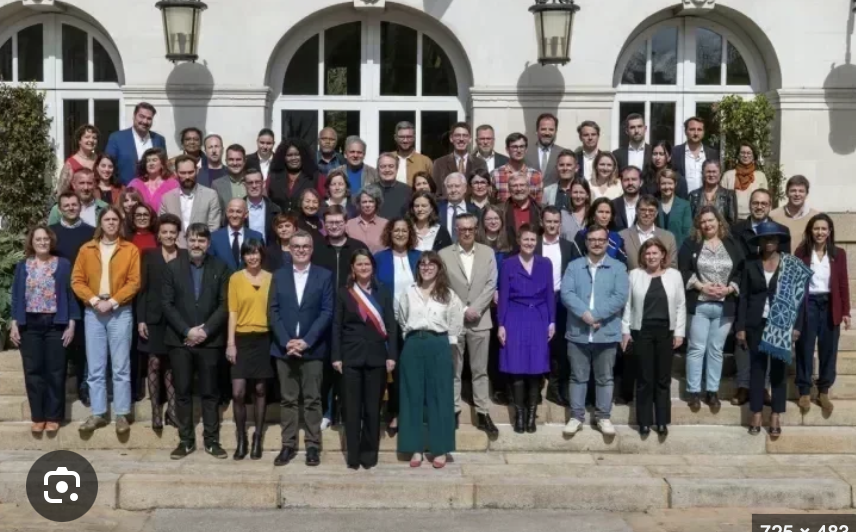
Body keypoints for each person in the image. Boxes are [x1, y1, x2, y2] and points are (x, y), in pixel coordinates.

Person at [161, 223, 230, 459]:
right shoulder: (172, 268)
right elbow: (167, 305)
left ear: (208, 243)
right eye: (192, 239)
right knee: (182, 392)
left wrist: (206, 330)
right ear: (185, 241)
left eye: (201, 240)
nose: (196, 244)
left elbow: (225, 304)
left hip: (210, 342)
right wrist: (186, 331)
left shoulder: (221, 268)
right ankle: (186, 441)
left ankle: (212, 441)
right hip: (180, 342)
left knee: (210, 393)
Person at [71, 207, 141, 436]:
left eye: (115, 219)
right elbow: (77, 280)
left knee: (120, 366)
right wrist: (93, 300)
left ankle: (122, 413)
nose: (111, 223)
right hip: (93, 312)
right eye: (107, 219)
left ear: (120, 224)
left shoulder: (130, 249)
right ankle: (98, 412)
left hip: (120, 311)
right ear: (100, 223)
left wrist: (111, 302)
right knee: (96, 366)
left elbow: (134, 282)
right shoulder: (87, 249)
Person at [736, 222, 809, 437]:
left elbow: (799, 299)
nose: (769, 242)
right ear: (759, 241)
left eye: (773, 239)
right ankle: (756, 413)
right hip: (755, 323)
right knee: (757, 370)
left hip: (782, 324)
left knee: (778, 372)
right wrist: (740, 327)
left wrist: (797, 327)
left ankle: (776, 414)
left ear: (778, 241)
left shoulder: (790, 264)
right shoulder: (750, 264)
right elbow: (744, 297)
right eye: (765, 239)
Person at [269, 230, 334, 467]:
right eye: (296, 246)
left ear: (312, 249)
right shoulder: (278, 275)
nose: (301, 250)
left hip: (313, 349)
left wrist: (306, 341)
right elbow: (273, 311)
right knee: (287, 400)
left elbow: (327, 312)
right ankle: (288, 445)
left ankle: (313, 446)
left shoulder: (324, 276)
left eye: (305, 246)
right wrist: (287, 340)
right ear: (289, 248)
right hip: (284, 348)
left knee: (312, 399)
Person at [397, 251, 464, 469]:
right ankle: (415, 447)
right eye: (422, 264)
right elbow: (401, 317)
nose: (426, 268)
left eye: (431, 264)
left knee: (440, 396)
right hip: (414, 343)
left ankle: (440, 448)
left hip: (439, 344)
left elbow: (455, 321)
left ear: (438, 268)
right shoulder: (409, 292)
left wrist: (449, 346)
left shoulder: (448, 295)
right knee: (412, 395)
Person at [560, 225, 629, 436]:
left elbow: (620, 297)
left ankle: (603, 417)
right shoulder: (574, 266)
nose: (597, 243)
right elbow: (567, 293)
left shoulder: (618, 268)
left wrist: (596, 315)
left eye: (601, 239)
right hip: (578, 332)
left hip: (606, 331)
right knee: (578, 376)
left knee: (605, 377)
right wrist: (585, 315)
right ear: (586, 242)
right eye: (592, 239)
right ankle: (576, 416)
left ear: (607, 242)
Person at [332, 250, 398, 469]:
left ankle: (369, 455)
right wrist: (336, 356)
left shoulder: (383, 292)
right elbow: (337, 327)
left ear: (372, 267)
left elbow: (391, 325)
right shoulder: (344, 293)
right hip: (350, 357)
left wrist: (391, 355)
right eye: (359, 264)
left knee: (372, 409)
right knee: (351, 409)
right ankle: (353, 456)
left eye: (367, 264)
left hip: (377, 357)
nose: (363, 267)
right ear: (352, 268)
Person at [10, 225, 79, 434]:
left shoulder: (63, 265)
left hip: (55, 324)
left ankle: (53, 416)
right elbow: (16, 296)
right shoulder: (23, 266)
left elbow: (70, 294)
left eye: (46, 239)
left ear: (51, 242)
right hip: (29, 325)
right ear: (32, 242)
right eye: (38, 239)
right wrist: (14, 323)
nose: (42, 242)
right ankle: (38, 416)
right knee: (33, 371)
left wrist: (72, 323)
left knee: (56, 371)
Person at [728, 188, 790, 405]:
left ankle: (762, 388)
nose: (759, 206)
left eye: (764, 203)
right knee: (741, 339)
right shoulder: (737, 230)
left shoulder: (780, 231)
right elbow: (733, 259)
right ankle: (744, 385)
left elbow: (784, 263)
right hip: (741, 289)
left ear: (770, 204)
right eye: (756, 202)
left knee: (766, 343)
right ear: (750, 204)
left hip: (768, 296)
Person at [439, 213, 499, 435]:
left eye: (470, 229)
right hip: (454, 320)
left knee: (480, 369)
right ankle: (453, 410)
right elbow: (442, 284)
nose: (466, 232)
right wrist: (463, 309)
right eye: (462, 229)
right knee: (454, 369)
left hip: (481, 320)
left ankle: (482, 412)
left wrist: (477, 309)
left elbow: (492, 283)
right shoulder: (444, 254)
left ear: (476, 230)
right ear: (456, 230)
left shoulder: (487, 252)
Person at [678, 205, 744, 409]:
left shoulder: (731, 244)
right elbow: (683, 269)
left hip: (725, 306)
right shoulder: (691, 243)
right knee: (696, 348)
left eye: (711, 220)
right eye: (703, 221)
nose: (707, 224)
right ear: (698, 224)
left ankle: (712, 392)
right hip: (700, 304)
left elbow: (741, 271)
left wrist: (729, 288)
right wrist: (701, 286)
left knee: (716, 350)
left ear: (719, 221)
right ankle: (694, 392)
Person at [621, 238, 686, 436]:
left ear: (663, 255)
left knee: (663, 378)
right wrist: (625, 331)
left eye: (655, 253)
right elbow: (627, 305)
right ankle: (644, 421)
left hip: (666, 331)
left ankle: (662, 421)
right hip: (642, 331)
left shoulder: (674, 275)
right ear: (643, 256)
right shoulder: (634, 275)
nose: (651, 256)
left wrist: (680, 332)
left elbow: (680, 305)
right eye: (647, 253)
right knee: (645, 378)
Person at [497, 224, 555, 434]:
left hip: (539, 317)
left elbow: (549, 294)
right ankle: (519, 415)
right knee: (517, 368)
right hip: (515, 316)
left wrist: (552, 321)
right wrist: (501, 325)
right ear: (518, 241)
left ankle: (532, 414)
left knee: (536, 369)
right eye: (526, 239)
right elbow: (503, 296)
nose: (529, 243)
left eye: (533, 240)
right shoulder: (508, 264)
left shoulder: (545, 264)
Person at [795, 214, 851, 416]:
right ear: (811, 231)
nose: (820, 232)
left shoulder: (838, 253)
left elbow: (843, 283)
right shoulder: (801, 252)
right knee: (805, 348)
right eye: (816, 228)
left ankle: (824, 391)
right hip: (808, 305)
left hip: (830, 305)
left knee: (829, 349)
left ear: (829, 232)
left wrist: (845, 311)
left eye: (824, 229)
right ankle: (803, 390)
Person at [226, 239, 273, 460]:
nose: (252, 257)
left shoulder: (271, 279)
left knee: (261, 390)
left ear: (262, 255)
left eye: (256, 253)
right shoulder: (235, 279)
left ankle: (257, 438)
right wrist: (230, 343)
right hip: (241, 339)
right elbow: (232, 312)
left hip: (263, 338)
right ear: (243, 256)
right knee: (238, 393)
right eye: (248, 253)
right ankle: (241, 438)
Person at [373, 216, 420, 436]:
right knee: (389, 369)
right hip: (387, 322)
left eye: (404, 230)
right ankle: (390, 411)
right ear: (389, 234)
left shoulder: (419, 258)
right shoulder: (380, 258)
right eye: (396, 230)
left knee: (407, 370)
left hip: (413, 323)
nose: (400, 234)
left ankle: (404, 413)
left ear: (410, 233)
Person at [136, 214, 182, 432]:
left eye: (172, 232)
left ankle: (172, 411)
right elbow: (142, 289)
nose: (169, 236)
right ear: (159, 234)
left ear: (178, 234)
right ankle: (155, 410)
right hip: (153, 318)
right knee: (154, 363)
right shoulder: (149, 256)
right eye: (164, 232)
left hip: (176, 319)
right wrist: (141, 318)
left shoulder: (184, 256)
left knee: (172, 364)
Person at [51, 193, 95, 407]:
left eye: (74, 204)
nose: (70, 207)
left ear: (80, 206)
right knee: (60, 344)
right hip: (56, 298)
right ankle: (58, 391)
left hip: (84, 296)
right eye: (66, 205)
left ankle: (84, 387)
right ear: (60, 208)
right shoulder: (51, 234)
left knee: (85, 344)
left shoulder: (91, 232)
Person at [537, 207, 581, 407]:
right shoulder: (534, 244)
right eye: (548, 221)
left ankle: (555, 387)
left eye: (555, 221)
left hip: (561, 299)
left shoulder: (568, 245)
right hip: (537, 300)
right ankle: (536, 385)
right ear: (542, 222)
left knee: (560, 345)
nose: (552, 225)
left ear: (560, 224)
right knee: (538, 342)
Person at [477, 205, 514, 404]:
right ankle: (492, 386)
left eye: (496, 218)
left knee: (504, 344)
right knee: (488, 348)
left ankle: (505, 385)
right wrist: (490, 294)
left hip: (506, 303)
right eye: (488, 218)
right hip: (484, 303)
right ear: (483, 222)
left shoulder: (510, 243)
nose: (492, 222)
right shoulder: (476, 243)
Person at [159, 154, 222, 247]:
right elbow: (162, 227)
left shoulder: (210, 195)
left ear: (197, 171)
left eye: (190, 172)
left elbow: (213, 227)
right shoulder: (166, 198)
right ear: (176, 173)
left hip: (201, 250)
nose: (187, 176)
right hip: (174, 250)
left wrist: (200, 245)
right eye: (183, 173)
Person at [105, 102, 166, 185]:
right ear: (134, 116)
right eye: (141, 116)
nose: (145, 121)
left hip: (153, 192)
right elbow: (108, 166)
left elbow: (163, 167)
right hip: (125, 191)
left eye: (149, 118)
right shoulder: (116, 138)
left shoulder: (158, 139)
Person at [619, 194, 678, 270]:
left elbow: (672, 268)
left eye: (651, 210)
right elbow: (618, 267)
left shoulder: (668, 237)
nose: (647, 214)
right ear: (636, 211)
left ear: (656, 213)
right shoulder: (622, 236)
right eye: (643, 210)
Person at [268, 139, 322, 214]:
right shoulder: (273, 177)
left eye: (297, 154)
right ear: (283, 157)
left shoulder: (314, 176)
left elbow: (322, 203)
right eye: (289, 155)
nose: (293, 158)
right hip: (279, 223)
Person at [209, 199, 264, 272]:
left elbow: (262, 264)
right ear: (226, 213)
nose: (234, 215)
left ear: (246, 214)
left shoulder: (256, 237)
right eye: (231, 211)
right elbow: (210, 266)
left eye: (238, 212)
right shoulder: (214, 238)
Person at [432, 122, 487, 195]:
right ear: (451, 138)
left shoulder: (480, 163)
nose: (461, 139)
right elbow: (437, 192)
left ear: (470, 139)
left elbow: (484, 188)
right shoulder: (439, 163)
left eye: (465, 136)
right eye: (457, 135)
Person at [770, 175, 820, 253]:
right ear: (787, 193)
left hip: (807, 264)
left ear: (806, 194)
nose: (797, 194)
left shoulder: (816, 217)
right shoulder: (773, 216)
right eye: (793, 191)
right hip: (781, 263)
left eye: (801, 191)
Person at [492, 133, 543, 204]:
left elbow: (538, 204)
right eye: (514, 147)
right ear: (507, 150)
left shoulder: (536, 175)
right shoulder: (496, 174)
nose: (519, 150)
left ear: (526, 149)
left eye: (522, 146)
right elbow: (492, 203)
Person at [671, 117, 719, 193]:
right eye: (692, 129)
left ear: (704, 132)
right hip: (683, 200)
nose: (696, 133)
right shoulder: (675, 152)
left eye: (699, 130)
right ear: (686, 131)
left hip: (705, 200)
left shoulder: (712, 153)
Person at [720, 143, 768, 220]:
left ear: (753, 156)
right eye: (742, 153)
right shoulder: (728, 175)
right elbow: (721, 200)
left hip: (754, 219)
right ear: (738, 155)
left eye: (749, 153)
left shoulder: (760, 176)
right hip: (732, 220)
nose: (745, 156)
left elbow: (766, 200)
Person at [574, 197, 627, 263]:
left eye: (607, 212)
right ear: (593, 215)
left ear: (611, 217)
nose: (604, 216)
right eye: (600, 212)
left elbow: (623, 265)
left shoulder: (617, 238)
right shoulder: (582, 235)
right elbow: (575, 261)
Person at [127, 147, 178, 213]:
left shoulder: (172, 184)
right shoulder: (135, 183)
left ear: (162, 164)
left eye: (154, 160)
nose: (151, 163)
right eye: (148, 161)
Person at [688, 160, 737, 225]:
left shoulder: (729, 195)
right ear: (702, 173)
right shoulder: (693, 195)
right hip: (698, 233)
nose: (711, 175)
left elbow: (732, 222)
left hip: (722, 234)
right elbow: (689, 221)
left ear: (720, 174)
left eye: (714, 172)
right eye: (708, 172)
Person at [524, 113, 567, 187]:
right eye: (543, 129)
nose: (547, 133)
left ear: (555, 131)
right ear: (537, 130)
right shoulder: (525, 152)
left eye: (551, 129)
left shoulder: (563, 154)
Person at [655, 169, 693, 249]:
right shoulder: (654, 205)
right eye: (663, 183)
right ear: (658, 185)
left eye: (670, 183)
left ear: (675, 184)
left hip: (678, 252)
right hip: (657, 252)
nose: (667, 187)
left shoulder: (684, 205)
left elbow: (687, 233)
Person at [346, 184, 388, 254]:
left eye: (371, 201)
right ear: (359, 204)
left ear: (377, 203)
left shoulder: (386, 225)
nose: (367, 205)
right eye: (364, 202)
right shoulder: (348, 225)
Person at [243, 168, 282, 244]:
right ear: (244, 185)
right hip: (244, 253)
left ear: (263, 184)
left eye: (257, 182)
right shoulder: (236, 210)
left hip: (268, 253)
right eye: (250, 183)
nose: (254, 186)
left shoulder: (275, 210)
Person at [57, 124, 99, 193]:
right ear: (79, 141)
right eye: (87, 137)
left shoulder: (99, 160)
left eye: (94, 138)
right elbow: (61, 191)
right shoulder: (70, 163)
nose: (91, 140)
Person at [438, 172, 479, 242]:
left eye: (457, 186)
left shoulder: (475, 211)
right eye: (449, 186)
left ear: (465, 188)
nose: (453, 190)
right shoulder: (437, 209)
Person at [503, 173, 543, 242]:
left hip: (535, 251)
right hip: (509, 251)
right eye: (514, 186)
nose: (519, 189)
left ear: (528, 187)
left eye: (522, 185)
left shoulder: (541, 209)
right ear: (509, 189)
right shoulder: (502, 210)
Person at [393, 121, 433, 186]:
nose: (405, 140)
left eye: (409, 137)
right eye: (401, 137)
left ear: (414, 137)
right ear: (395, 137)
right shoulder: (388, 159)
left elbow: (432, 188)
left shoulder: (425, 161)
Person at [212, 144, 248, 212]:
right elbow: (215, 212)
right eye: (231, 159)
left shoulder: (253, 182)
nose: (235, 163)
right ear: (226, 161)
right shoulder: (217, 185)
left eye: (238, 159)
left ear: (244, 161)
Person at [376, 153, 412, 219]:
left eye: (391, 166)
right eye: (383, 166)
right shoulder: (369, 191)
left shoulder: (408, 191)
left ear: (397, 169)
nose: (387, 170)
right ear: (378, 170)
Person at [611, 166, 643, 231]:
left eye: (634, 179)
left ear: (641, 182)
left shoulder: (650, 204)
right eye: (626, 180)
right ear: (621, 182)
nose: (630, 183)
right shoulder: (612, 205)